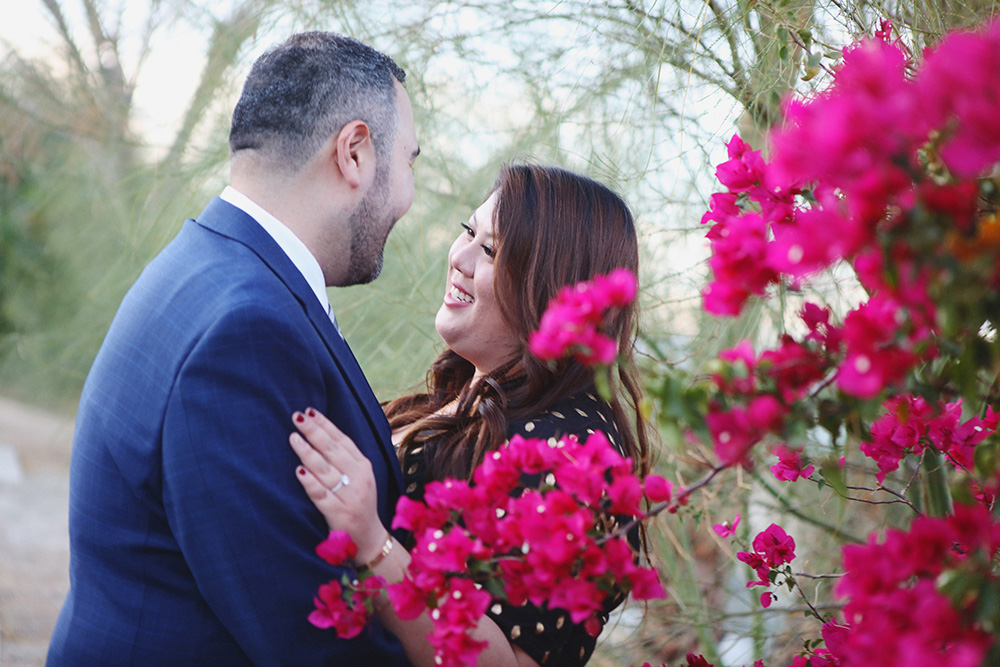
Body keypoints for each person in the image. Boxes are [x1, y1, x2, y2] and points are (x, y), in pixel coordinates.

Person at [47, 32, 419, 665]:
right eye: (410, 161)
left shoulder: (202, 262)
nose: (408, 198)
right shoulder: (248, 329)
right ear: (354, 152)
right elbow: (300, 634)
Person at [289, 163, 650, 667]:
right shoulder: (471, 396)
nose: (457, 258)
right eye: (468, 232)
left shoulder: (573, 455)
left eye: (490, 250)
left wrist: (372, 542)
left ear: (552, 287)